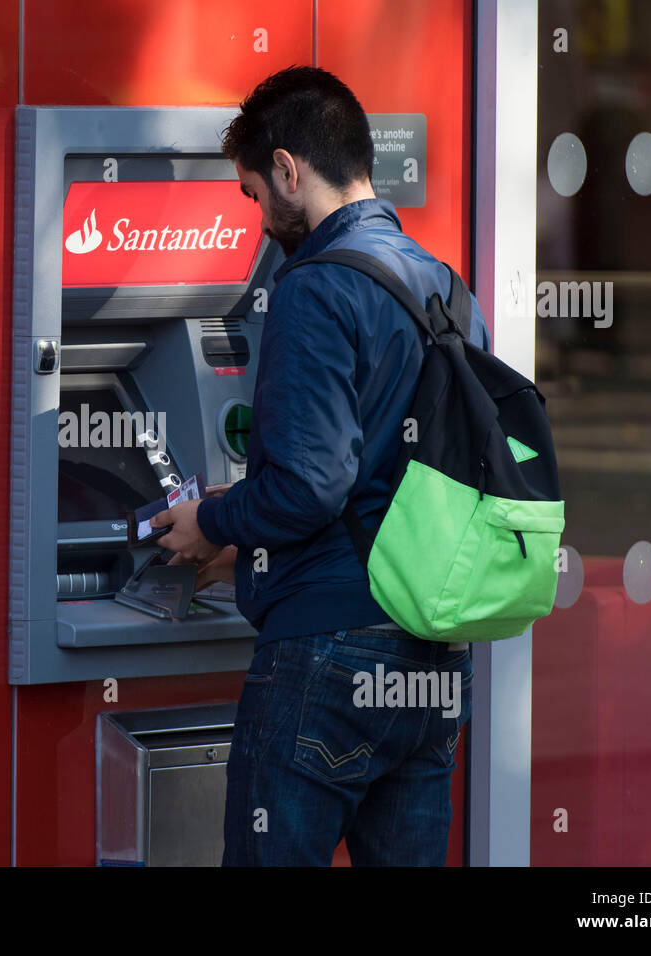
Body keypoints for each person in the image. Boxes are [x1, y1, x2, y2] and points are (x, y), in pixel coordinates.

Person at [152, 66, 489, 866]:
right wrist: (252, 534)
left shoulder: (312, 288)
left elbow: (313, 484)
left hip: (329, 654)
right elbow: (391, 472)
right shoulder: (442, 288)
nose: (259, 218)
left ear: (288, 169)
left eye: (252, 193)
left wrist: (215, 521)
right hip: (431, 659)